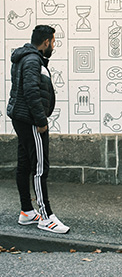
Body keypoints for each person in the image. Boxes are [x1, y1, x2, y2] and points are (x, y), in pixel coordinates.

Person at [7, 25, 70, 234]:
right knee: (40, 167)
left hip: (22, 118)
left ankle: (27, 211)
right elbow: (31, 91)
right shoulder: (33, 60)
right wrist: (41, 121)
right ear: (46, 42)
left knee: (25, 164)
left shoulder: (25, 58)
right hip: (31, 121)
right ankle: (46, 217)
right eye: (53, 41)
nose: (54, 45)